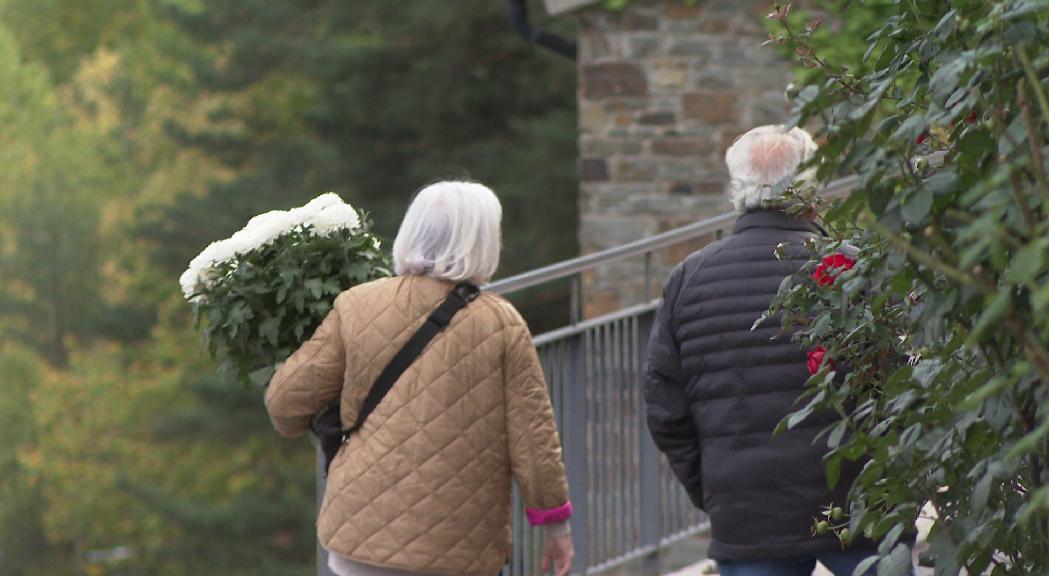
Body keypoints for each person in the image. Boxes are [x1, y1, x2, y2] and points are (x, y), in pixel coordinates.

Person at [265, 181, 574, 576]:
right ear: (483, 243)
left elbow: (285, 402)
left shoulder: (357, 304)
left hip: (360, 533)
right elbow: (534, 440)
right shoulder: (501, 322)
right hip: (459, 545)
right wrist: (555, 525)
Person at [642, 125, 879, 576]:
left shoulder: (690, 279)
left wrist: (713, 488)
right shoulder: (849, 266)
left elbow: (665, 407)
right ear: (812, 186)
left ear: (738, 187)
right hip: (857, 503)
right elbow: (896, 382)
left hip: (747, 511)